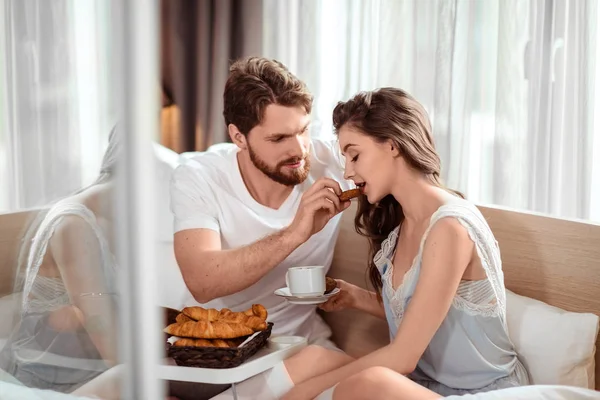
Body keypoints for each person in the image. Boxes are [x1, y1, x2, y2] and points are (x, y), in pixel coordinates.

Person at [280, 87, 530, 400]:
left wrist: (303, 393)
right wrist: (355, 297)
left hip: (479, 394)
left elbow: (403, 356)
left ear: (393, 145)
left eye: (355, 155)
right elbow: (426, 315)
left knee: (368, 384)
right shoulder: (402, 227)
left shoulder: (450, 228)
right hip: (425, 388)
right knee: (313, 360)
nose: (347, 171)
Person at [169, 56, 353, 346]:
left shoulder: (332, 161)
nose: (299, 150)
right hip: (219, 352)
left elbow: (406, 161)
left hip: (300, 344)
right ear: (238, 136)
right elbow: (202, 281)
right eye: (279, 138)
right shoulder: (200, 176)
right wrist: (296, 233)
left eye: (303, 130)